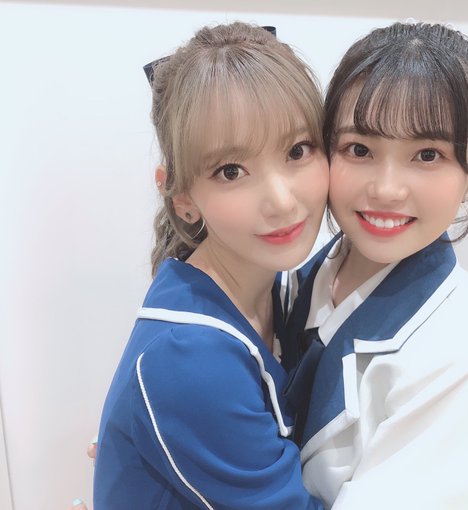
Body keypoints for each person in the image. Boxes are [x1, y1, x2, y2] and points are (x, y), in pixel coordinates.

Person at [279, 21, 468, 509]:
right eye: (360, 149)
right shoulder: (298, 278)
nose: (387, 189)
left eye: (428, 155)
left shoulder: (465, 357)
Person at [92, 22, 329, 509]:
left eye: (297, 150)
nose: (282, 201)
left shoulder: (273, 289)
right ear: (181, 197)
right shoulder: (189, 359)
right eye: (231, 171)